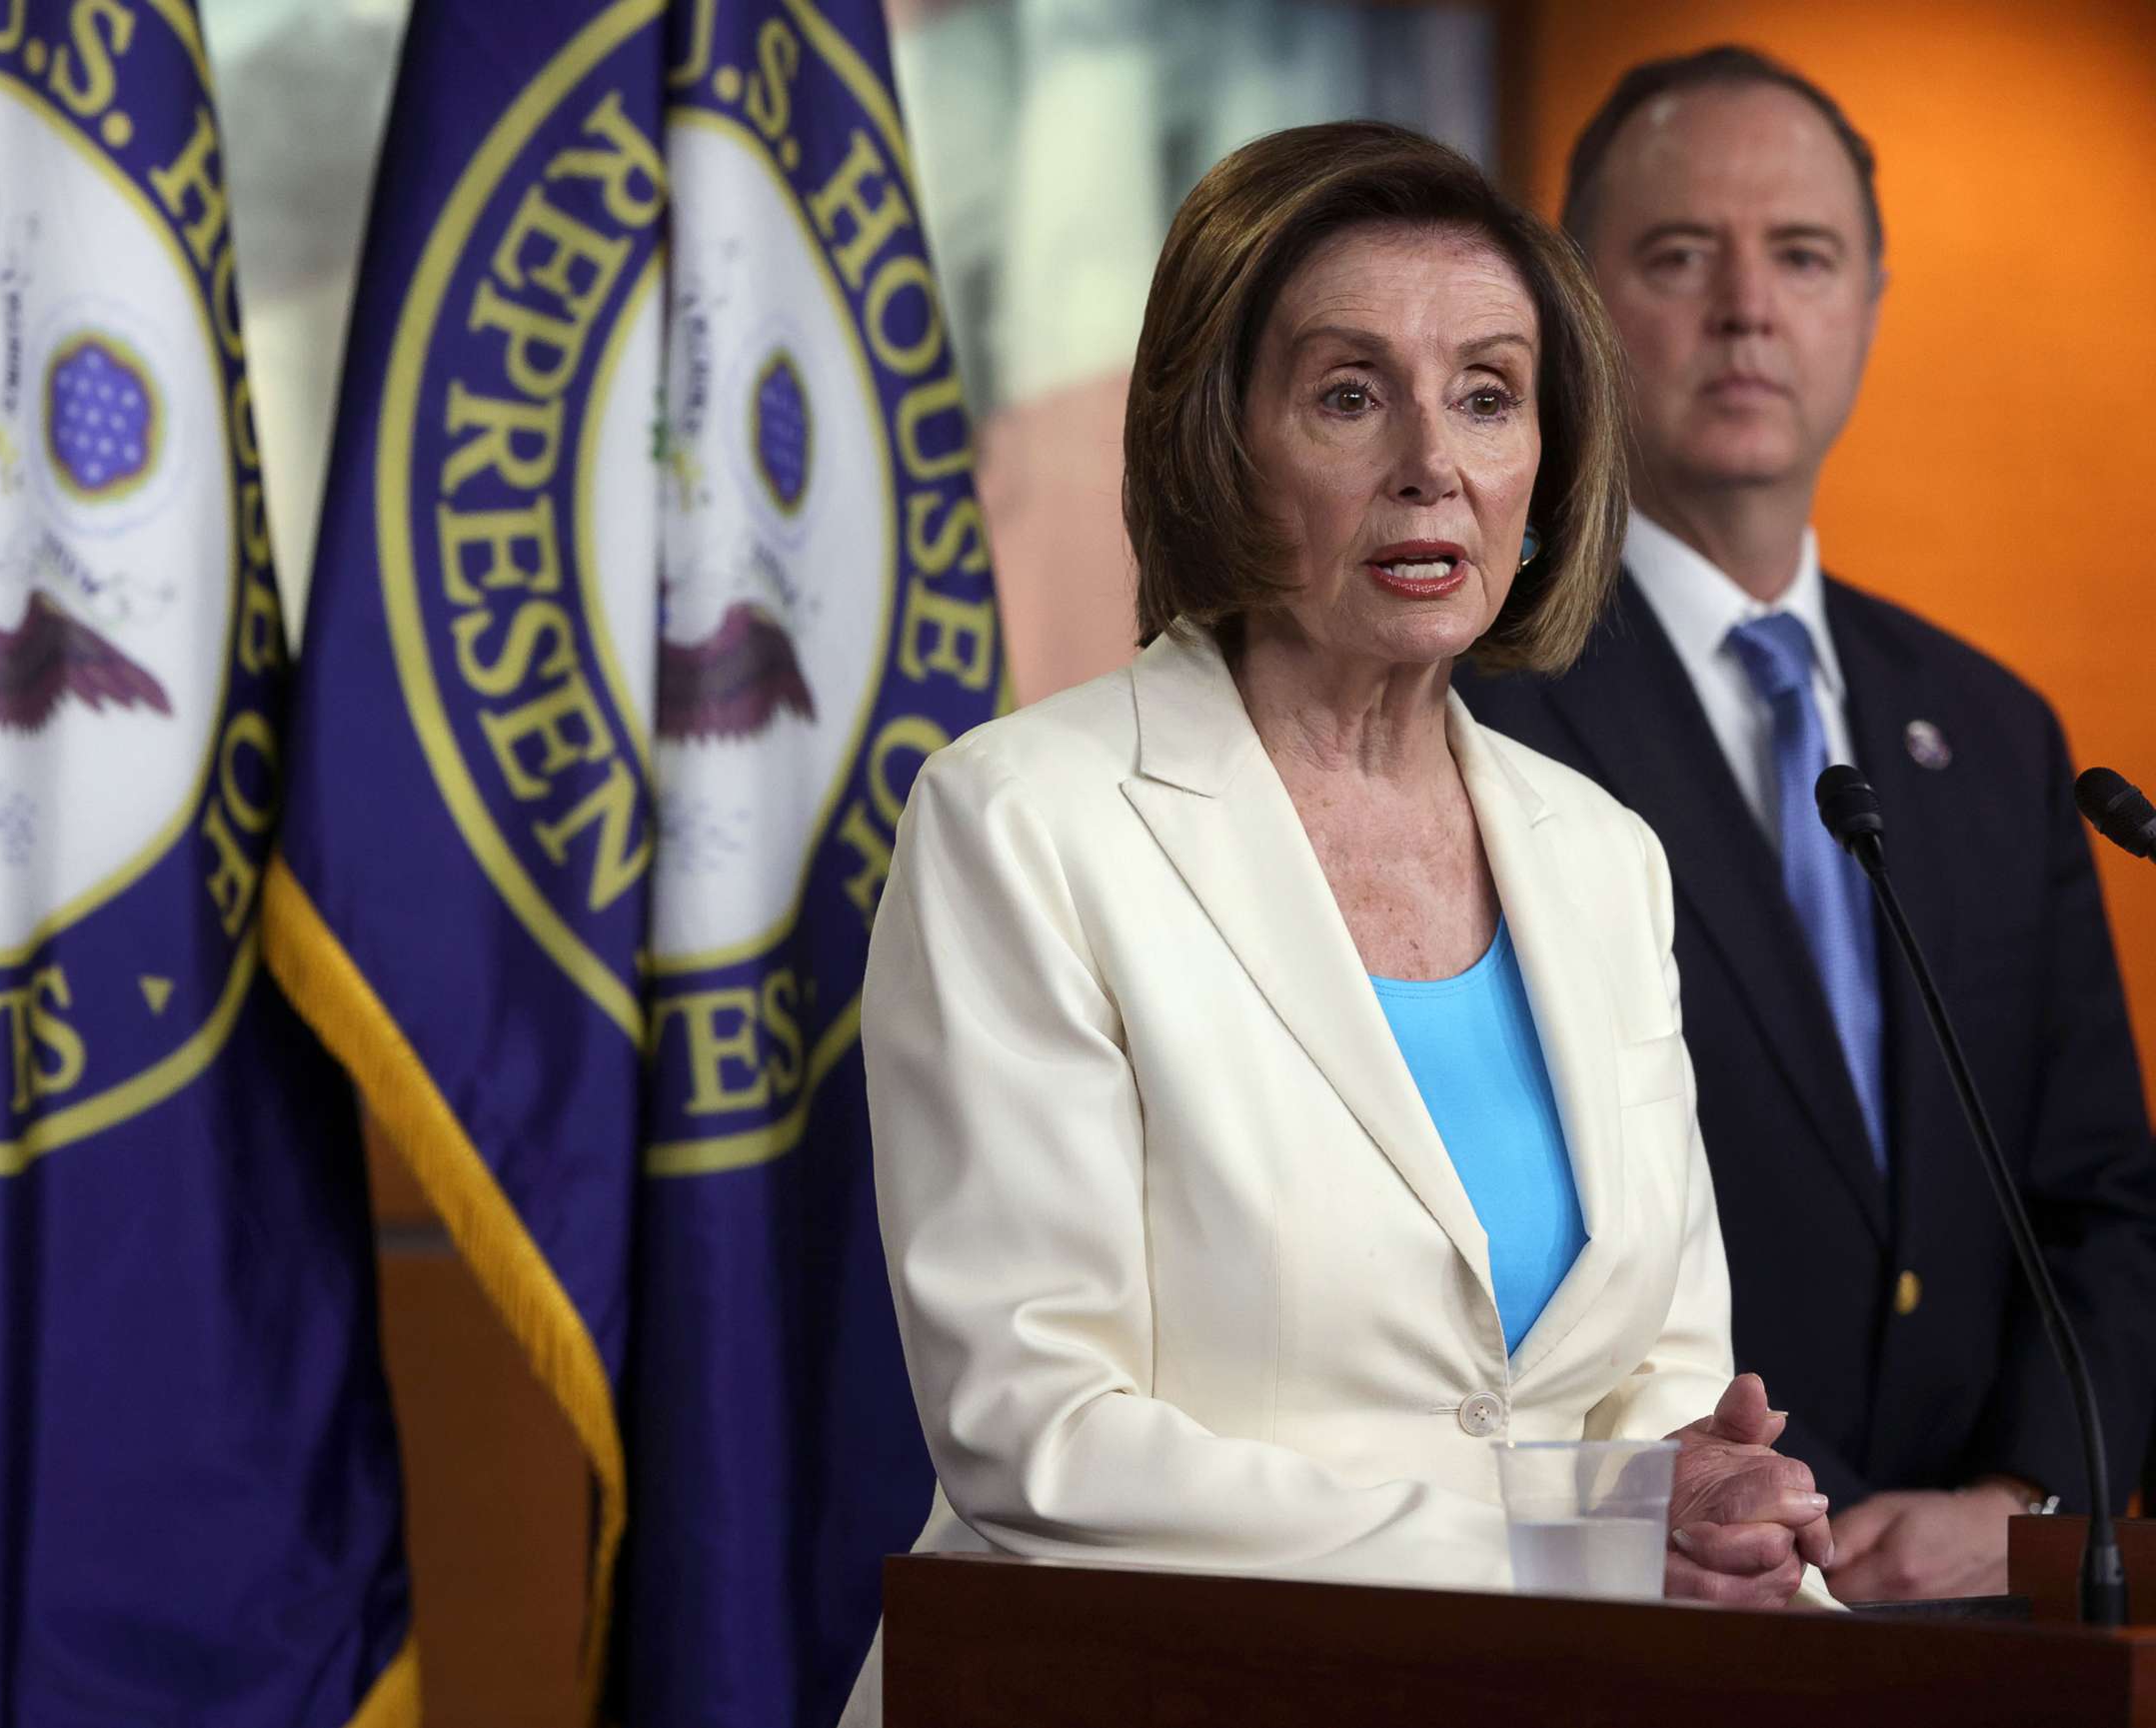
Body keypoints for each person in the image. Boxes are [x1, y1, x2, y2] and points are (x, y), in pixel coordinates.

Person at [840, 121, 1833, 1726]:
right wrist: (1545, 1557)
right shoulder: (1026, 820)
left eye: (1491, 395)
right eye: (1350, 393)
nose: (1431, 460)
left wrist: (1725, 1525)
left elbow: (1662, 1390)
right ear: (1216, 443)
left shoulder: (1601, 855)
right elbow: (1042, 1437)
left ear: (1547, 468)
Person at [1460, 46, 2156, 1603]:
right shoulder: (1477, 703)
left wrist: (2024, 1495)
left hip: (1987, 1613)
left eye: (1802, 256)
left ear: (1867, 304)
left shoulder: (1990, 729)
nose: (1747, 308)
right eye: (1679, 255)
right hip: (1662, 1600)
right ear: (1575, 302)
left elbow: (2101, 1199)